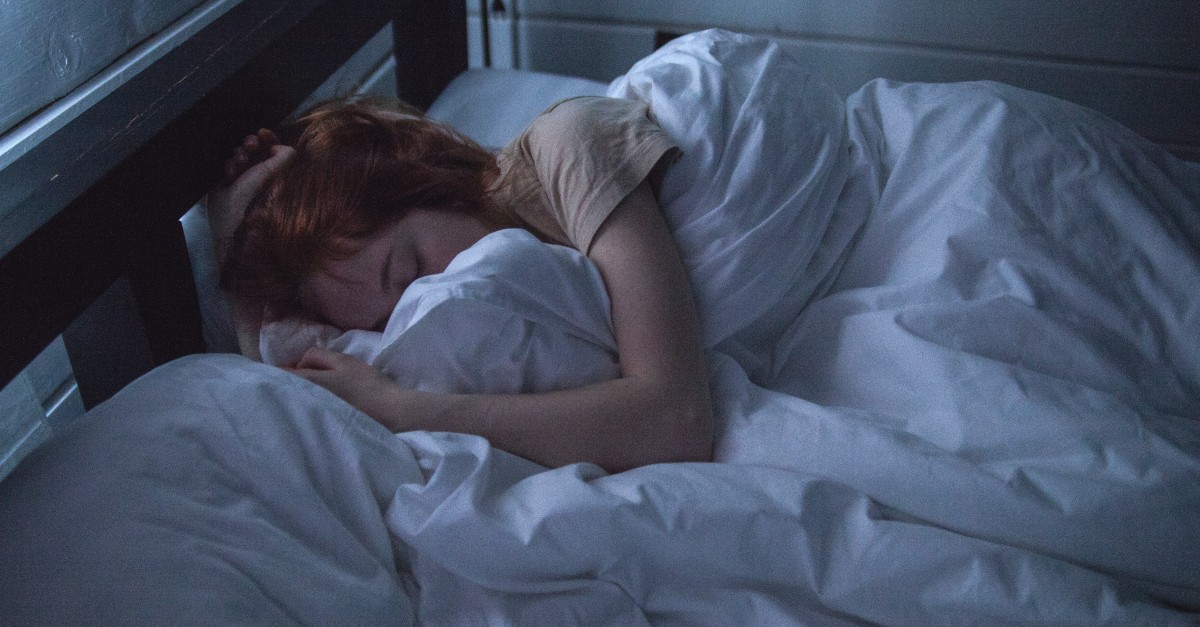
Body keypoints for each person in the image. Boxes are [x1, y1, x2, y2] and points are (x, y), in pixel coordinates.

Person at [207, 96, 713, 472]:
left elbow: (676, 421)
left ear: (427, 181)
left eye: (409, 271)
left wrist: (402, 411)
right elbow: (286, 399)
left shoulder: (570, 146)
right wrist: (238, 275)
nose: (430, 303)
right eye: (387, 321)